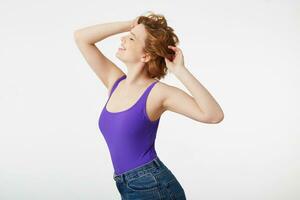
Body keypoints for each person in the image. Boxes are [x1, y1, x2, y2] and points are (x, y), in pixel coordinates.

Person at [74, 11, 224, 200]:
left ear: (146, 55)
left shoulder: (158, 93)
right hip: (126, 183)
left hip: (152, 186)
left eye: (131, 38)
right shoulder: (115, 82)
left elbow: (213, 115)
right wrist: (130, 24)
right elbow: (81, 38)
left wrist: (180, 70)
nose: (123, 39)